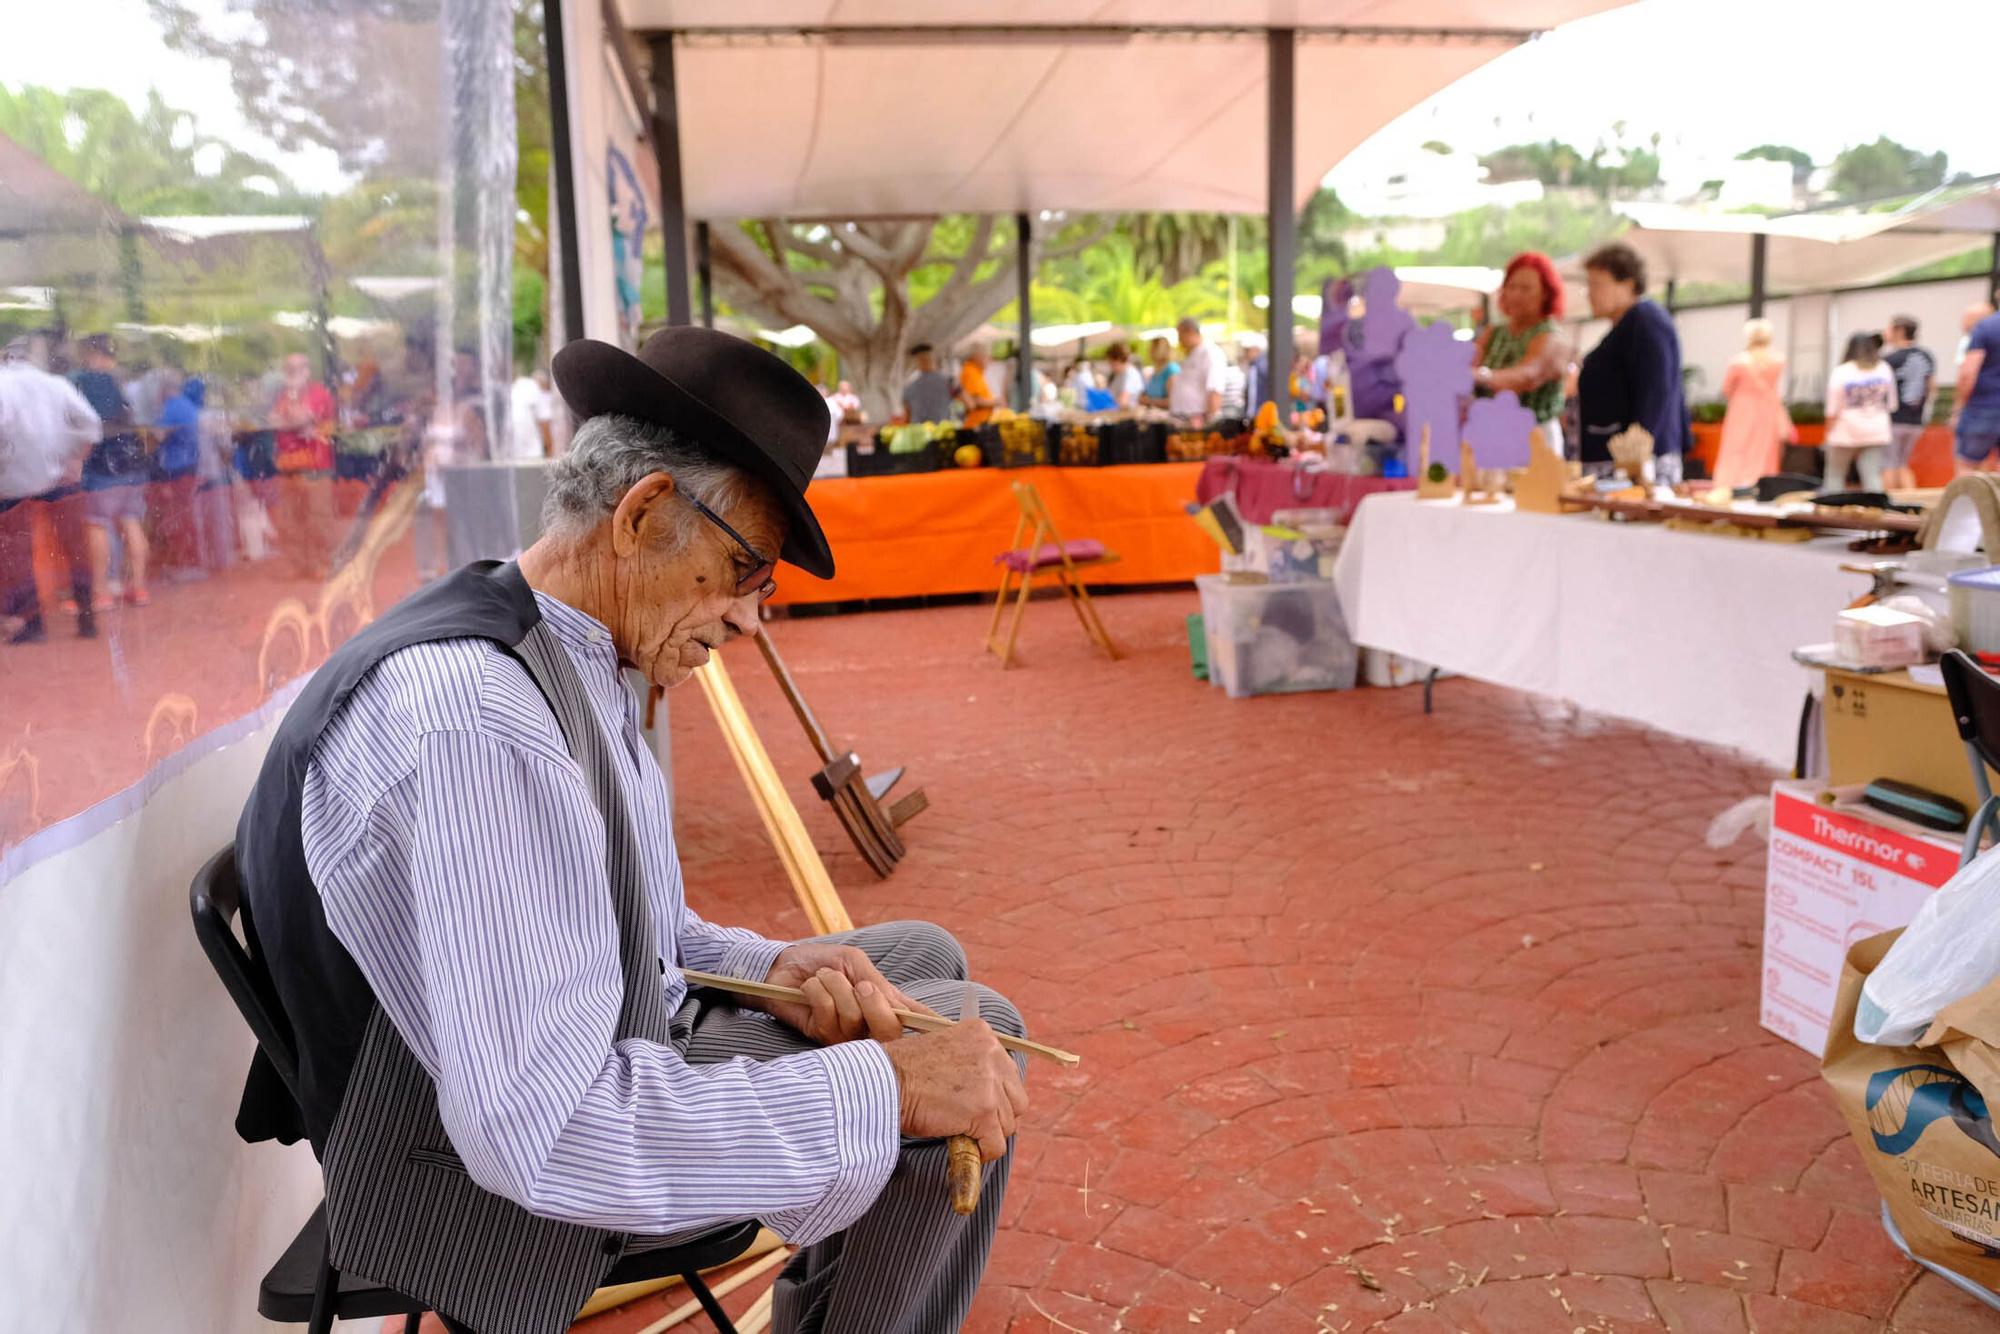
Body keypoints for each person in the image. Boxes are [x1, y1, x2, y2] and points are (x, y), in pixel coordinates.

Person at [232, 326, 1030, 1334]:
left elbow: (638, 920)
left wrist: (775, 965)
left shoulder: (554, 634)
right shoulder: (482, 719)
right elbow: (546, 1131)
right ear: (646, 510)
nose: (750, 619)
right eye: (746, 568)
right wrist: (877, 1090)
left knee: (924, 959)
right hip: (460, 1167)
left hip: (560, 1055)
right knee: (973, 1033)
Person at [0, 339, 100, 642]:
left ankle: (30, 626)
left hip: (11, 482)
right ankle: (87, 617)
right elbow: (91, 424)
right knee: (74, 546)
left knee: (16, 554)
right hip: (58, 477)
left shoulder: (3, 384)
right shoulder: (55, 384)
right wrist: (73, 458)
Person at [1576, 243, 1689, 484]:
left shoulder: (1646, 322)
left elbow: (1655, 392)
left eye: (1597, 284)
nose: (1589, 293)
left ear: (1627, 284)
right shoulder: (1630, 325)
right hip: (1618, 461)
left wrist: (1636, 460)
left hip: (1637, 468)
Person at [71, 334, 151, 606]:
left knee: (97, 523)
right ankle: (138, 588)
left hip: (104, 463)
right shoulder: (127, 381)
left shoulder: (91, 381)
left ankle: (101, 591)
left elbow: (87, 427)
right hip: (133, 460)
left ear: (93, 354)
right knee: (131, 520)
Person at [1473, 251, 1571, 453]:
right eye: (1512, 286)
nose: (1516, 294)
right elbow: (1468, 364)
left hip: (1536, 439)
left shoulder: (1551, 336)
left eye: (1526, 288)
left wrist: (1483, 376)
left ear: (1545, 293)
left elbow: (1527, 375)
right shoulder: (1494, 332)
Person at [266, 351, 338, 579]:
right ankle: (298, 565)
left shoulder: (318, 393)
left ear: (307, 372)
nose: (291, 374)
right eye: (288, 369)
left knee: (319, 518)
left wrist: (291, 420)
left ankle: (322, 564)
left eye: (296, 369)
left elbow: (301, 418)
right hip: (288, 466)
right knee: (290, 518)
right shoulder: (283, 395)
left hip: (316, 464)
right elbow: (272, 420)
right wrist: (295, 422)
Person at [1711, 319, 1793, 489]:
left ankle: (1729, 486)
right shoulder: (1778, 360)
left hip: (1742, 410)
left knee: (1736, 447)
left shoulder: (1738, 361)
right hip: (1768, 409)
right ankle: (1761, 486)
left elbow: (1727, 389)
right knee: (1764, 450)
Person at [151, 376, 208, 578]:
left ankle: (185, 565)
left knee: (178, 516)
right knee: (186, 513)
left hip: (175, 467)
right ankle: (192, 563)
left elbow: (158, 435)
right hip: (190, 464)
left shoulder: (171, 407)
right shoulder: (187, 404)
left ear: (165, 389)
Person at [1824, 331, 1896, 493]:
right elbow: (1891, 404)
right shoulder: (1884, 369)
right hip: (1877, 428)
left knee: (1835, 474)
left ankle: (1831, 512)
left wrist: (1827, 433)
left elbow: (1832, 408)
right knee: (1871, 475)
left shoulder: (1842, 371)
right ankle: (1876, 512)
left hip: (1846, 429)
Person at [1879, 316, 1935, 492]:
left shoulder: (1889, 359)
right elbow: (1931, 387)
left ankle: (1890, 509)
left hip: (1893, 420)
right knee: (1903, 464)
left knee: (1888, 465)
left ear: (1899, 331)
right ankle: (1911, 503)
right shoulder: (1927, 356)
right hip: (1916, 421)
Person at [1954, 296, 2000, 475]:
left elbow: (1968, 373)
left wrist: (1959, 405)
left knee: (1967, 465)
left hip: (1984, 406)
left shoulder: (1986, 327)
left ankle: (1967, 504)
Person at [1169, 318, 1222, 426]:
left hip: (1197, 419)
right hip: (1182, 417)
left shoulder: (1210, 353)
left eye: (1180, 335)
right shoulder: (1192, 353)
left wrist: (1208, 423)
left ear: (1190, 332)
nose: (1179, 340)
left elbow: (1214, 389)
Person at [507, 368, 555, 459]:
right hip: (532, 453)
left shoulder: (517, 386)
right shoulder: (535, 388)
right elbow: (544, 424)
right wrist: (551, 453)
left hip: (513, 453)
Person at [901, 343, 954, 424]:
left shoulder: (908, 387)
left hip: (919, 432)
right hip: (942, 430)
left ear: (917, 363)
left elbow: (906, 417)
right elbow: (969, 403)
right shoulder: (948, 380)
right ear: (933, 359)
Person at [959, 344, 1000, 428]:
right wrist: (995, 402)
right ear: (977, 357)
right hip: (976, 425)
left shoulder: (976, 372)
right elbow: (974, 401)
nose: (989, 360)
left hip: (979, 424)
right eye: (987, 357)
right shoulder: (971, 373)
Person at [1103, 342, 1145, 410]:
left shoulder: (1130, 375)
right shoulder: (1118, 374)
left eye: (1111, 363)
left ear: (1118, 360)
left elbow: (1123, 402)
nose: (1110, 366)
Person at [1140, 336, 1178, 409]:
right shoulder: (1156, 371)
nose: (1149, 351)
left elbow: (1172, 401)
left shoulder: (1171, 370)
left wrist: (1149, 401)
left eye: (1152, 348)